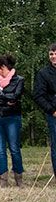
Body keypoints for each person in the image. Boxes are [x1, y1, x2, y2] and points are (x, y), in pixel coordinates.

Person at [0, 54, 25, 187]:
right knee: (0, 149)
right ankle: (3, 179)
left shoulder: (19, 80)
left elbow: (15, 96)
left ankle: (18, 177)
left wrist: (0, 95)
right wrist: (6, 99)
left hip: (12, 118)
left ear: (3, 67)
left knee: (14, 148)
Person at [32, 44, 56, 176]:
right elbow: (38, 95)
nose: (53, 57)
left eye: (55, 53)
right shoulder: (43, 73)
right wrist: (52, 110)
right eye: (51, 54)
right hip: (54, 114)